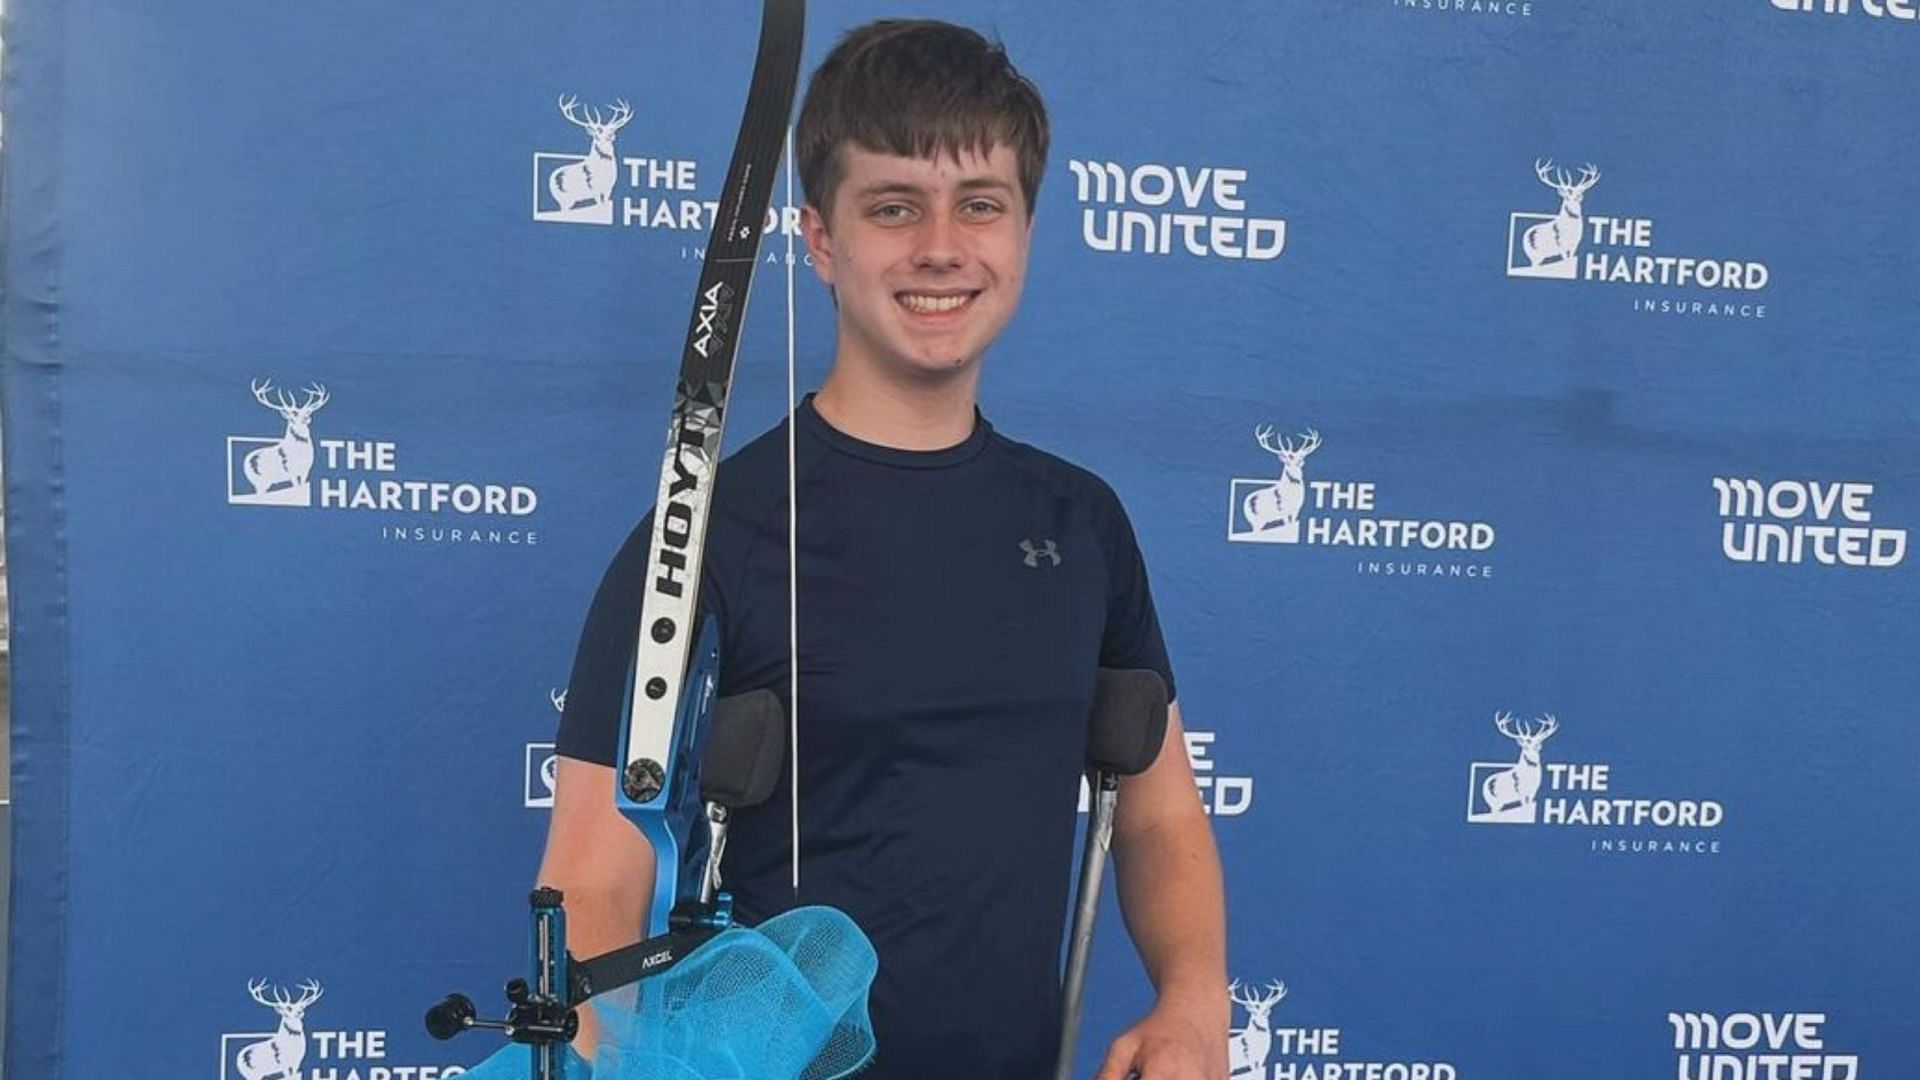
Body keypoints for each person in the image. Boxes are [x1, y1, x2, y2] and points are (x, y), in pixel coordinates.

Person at [542, 19, 1227, 1080]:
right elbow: (594, 877)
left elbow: (1162, 810)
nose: (942, 247)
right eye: (894, 207)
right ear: (820, 240)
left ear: (1026, 232)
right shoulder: (701, 541)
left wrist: (1192, 998)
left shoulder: (1082, 524)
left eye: (981, 206)